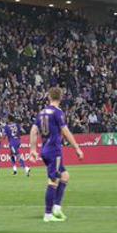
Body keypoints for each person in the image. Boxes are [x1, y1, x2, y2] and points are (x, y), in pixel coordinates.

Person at [29, 87, 85, 222]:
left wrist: (32, 149)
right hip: (54, 150)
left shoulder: (42, 112)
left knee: (65, 176)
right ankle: (48, 214)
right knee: (53, 181)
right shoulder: (58, 112)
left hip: (45, 149)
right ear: (61, 98)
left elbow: (33, 130)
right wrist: (77, 148)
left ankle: (56, 208)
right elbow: (65, 131)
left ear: (49, 97)